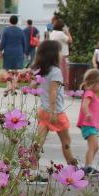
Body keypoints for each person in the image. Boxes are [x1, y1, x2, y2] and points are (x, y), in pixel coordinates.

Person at [31, 41, 78, 175]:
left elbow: (33, 86)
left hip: (42, 111)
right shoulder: (56, 71)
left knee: (38, 143)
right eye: (59, 51)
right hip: (55, 112)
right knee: (66, 142)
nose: (61, 54)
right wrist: (53, 111)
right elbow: (53, 92)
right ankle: (73, 171)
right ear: (53, 54)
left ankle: (32, 172)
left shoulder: (41, 70)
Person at [78, 68, 99, 174]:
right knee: (93, 145)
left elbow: (94, 113)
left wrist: (98, 124)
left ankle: (88, 166)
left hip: (92, 125)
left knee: (95, 146)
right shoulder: (89, 93)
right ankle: (88, 167)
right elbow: (85, 104)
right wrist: (87, 113)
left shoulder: (94, 95)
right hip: (88, 124)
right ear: (92, 83)